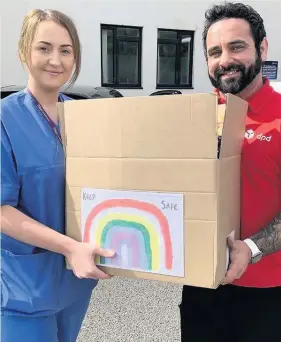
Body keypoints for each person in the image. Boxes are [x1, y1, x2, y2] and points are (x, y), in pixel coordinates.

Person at [1, 9, 114, 342]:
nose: (55, 60)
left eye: (66, 50)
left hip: (75, 282)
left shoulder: (82, 117)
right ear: (24, 51)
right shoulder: (6, 120)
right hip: (24, 287)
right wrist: (69, 247)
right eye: (44, 48)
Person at [180, 2, 281, 342]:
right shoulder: (194, 118)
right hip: (201, 285)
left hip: (266, 292)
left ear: (262, 47)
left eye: (236, 46)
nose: (224, 60)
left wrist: (252, 248)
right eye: (214, 52)